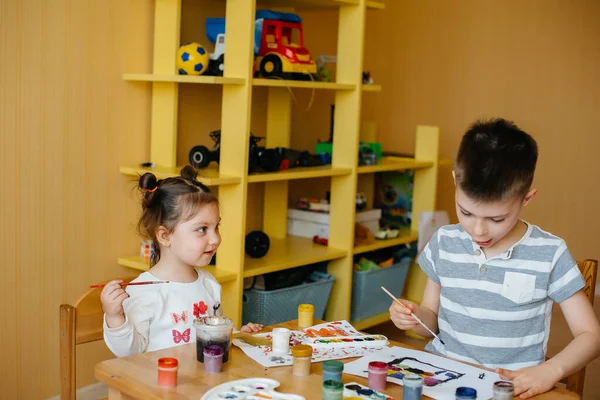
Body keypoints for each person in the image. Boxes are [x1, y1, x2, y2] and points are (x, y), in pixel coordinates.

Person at [390, 118, 600, 398]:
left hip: (510, 388)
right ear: (455, 181)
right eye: (466, 213)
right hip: (442, 377)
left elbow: (591, 336)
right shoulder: (444, 242)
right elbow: (432, 323)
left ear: (527, 198)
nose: (478, 230)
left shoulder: (549, 253)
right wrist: (415, 317)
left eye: (497, 218)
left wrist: (551, 370)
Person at [102, 166, 263, 357]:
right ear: (165, 236)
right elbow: (128, 353)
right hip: (159, 385)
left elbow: (214, 336)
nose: (216, 239)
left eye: (216, 227)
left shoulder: (209, 284)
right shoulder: (144, 291)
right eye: (202, 229)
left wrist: (238, 335)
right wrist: (115, 316)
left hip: (202, 382)